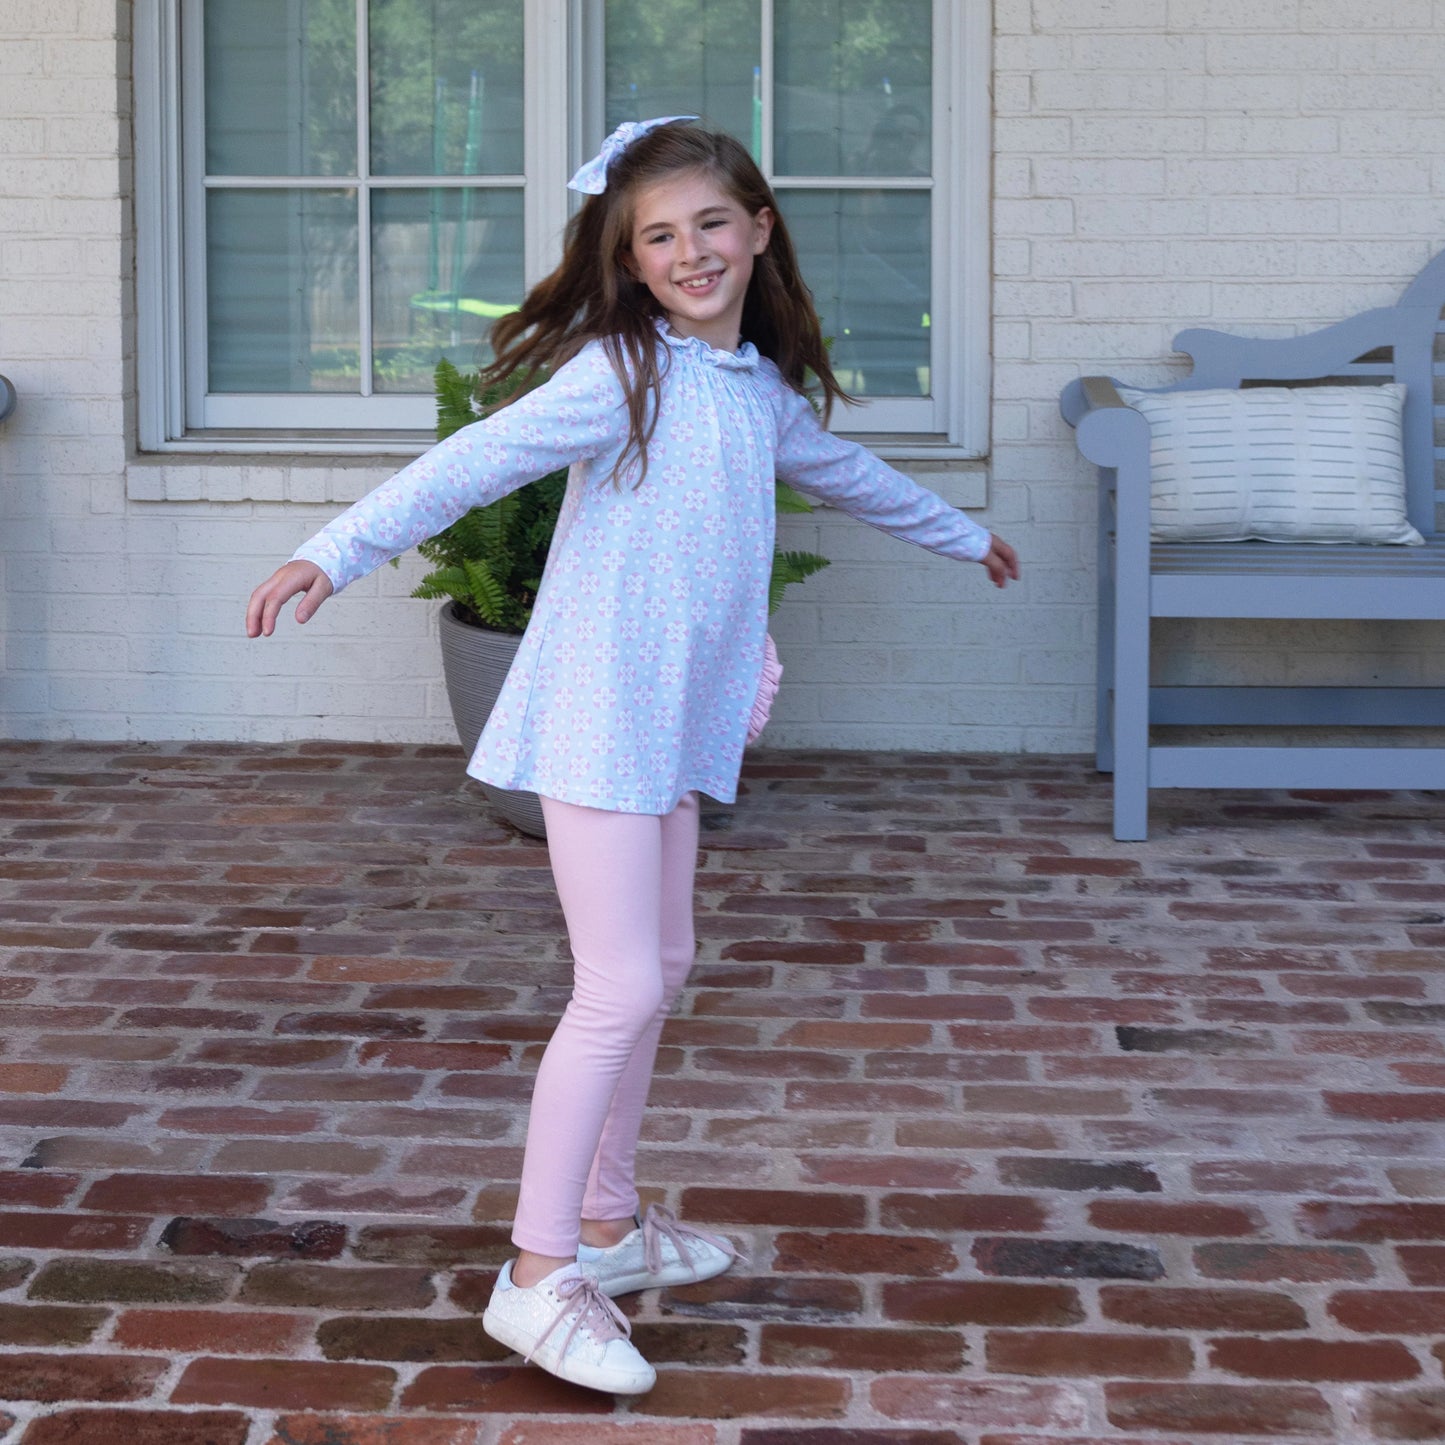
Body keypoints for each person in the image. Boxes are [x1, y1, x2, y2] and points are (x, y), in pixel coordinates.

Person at [246, 116, 1019, 1396]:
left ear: (759, 229)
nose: (689, 250)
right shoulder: (622, 374)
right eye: (658, 235)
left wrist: (960, 532)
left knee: (660, 966)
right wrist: (331, 550)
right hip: (599, 714)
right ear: (630, 258)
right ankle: (536, 1269)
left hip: (668, 722)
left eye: (710, 222)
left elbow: (850, 472)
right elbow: (469, 460)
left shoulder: (751, 390)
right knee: (613, 986)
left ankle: (606, 1221)